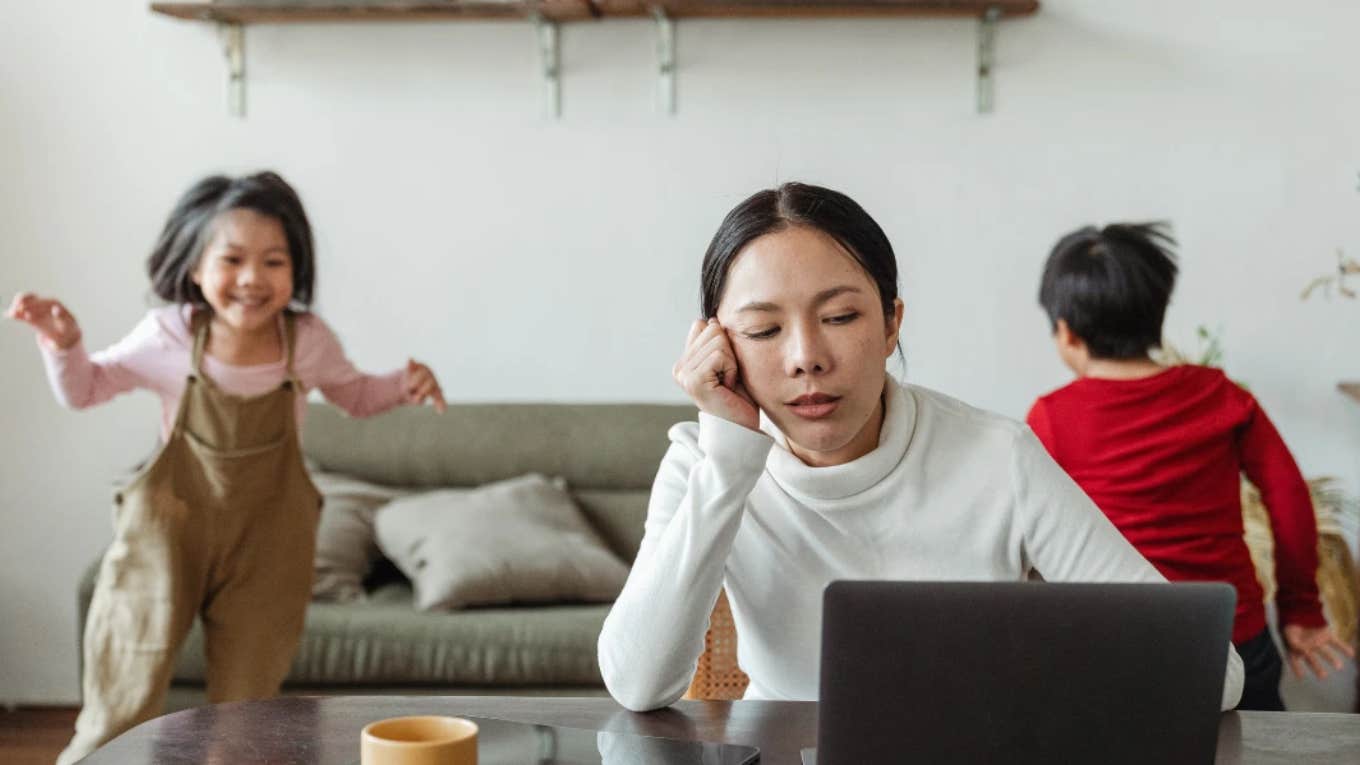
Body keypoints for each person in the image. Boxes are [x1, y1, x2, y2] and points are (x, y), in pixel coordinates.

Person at [597, 183, 1243, 713]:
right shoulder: (702, 463)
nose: (806, 359)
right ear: (718, 345)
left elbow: (1214, 675)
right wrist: (729, 459)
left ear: (891, 324)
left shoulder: (999, 456)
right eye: (764, 328)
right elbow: (636, 683)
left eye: (841, 317)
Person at [6, 170, 446, 764]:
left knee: (246, 720)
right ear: (194, 266)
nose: (251, 279)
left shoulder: (307, 341)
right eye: (232, 258)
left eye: (273, 261)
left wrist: (403, 384)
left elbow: (356, 396)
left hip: (267, 543)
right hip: (165, 537)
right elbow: (87, 389)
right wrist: (63, 345)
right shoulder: (167, 335)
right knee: (119, 702)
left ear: (296, 270)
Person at [1026, 221, 1353, 711]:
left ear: (1066, 333)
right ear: (1158, 315)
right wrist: (1300, 608)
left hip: (1117, 644)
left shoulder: (1051, 417)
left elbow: (1031, 533)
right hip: (1233, 639)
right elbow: (1289, 499)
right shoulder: (1222, 396)